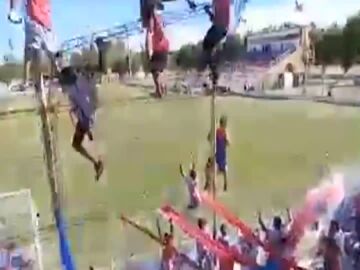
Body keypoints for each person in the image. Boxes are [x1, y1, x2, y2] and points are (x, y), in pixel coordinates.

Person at [59, 66, 104, 181]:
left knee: (76, 144)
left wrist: (88, 126)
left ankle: (97, 162)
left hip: (85, 120)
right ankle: (96, 161)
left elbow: (85, 105)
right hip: (85, 118)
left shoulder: (75, 90)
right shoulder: (76, 86)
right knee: (78, 144)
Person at [8, 0, 59, 89]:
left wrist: (12, 10)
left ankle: (29, 81)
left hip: (36, 21)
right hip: (43, 22)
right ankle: (56, 75)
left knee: (32, 51)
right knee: (46, 50)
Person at [202, 0, 231, 82]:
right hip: (221, 29)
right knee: (208, 46)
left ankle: (214, 70)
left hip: (219, 28)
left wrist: (208, 11)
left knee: (207, 45)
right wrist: (208, 11)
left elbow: (216, 19)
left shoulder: (219, 2)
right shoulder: (219, 3)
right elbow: (216, 19)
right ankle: (214, 69)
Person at [145, 3, 169, 98]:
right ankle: (163, 87)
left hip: (158, 47)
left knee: (154, 69)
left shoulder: (153, 18)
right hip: (165, 46)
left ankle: (159, 91)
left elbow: (150, 32)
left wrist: (148, 48)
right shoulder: (161, 17)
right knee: (161, 69)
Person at [208, 115, 230, 191]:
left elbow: (209, 138)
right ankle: (224, 185)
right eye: (225, 123)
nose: (226, 125)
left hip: (218, 153)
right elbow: (227, 143)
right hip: (221, 154)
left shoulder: (217, 131)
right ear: (223, 123)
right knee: (223, 171)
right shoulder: (223, 132)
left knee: (217, 170)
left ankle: (215, 186)